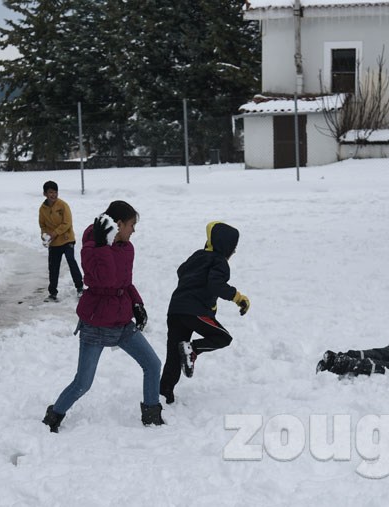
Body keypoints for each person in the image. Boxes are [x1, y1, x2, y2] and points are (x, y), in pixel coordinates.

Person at [42, 200, 163, 432]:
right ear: (118, 224)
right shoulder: (90, 246)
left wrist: (137, 303)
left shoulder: (128, 247)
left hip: (122, 321)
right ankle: (54, 415)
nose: (133, 230)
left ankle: (151, 414)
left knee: (152, 364)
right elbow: (104, 279)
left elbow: (124, 281)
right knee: (83, 383)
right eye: (131, 225)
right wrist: (102, 246)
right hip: (95, 324)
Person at [159, 221, 251, 405]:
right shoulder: (220, 262)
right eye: (233, 248)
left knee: (174, 355)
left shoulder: (197, 257)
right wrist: (238, 297)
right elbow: (215, 285)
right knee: (223, 338)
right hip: (194, 312)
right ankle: (193, 349)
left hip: (175, 310)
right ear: (225, 247)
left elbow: (182, 271)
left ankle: (164, 394)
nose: (234, 252)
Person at [39, 180, 84, 302]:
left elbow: (67, 223)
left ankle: (80, 287)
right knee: (53, 267)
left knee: (71, 261)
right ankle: (52, 292)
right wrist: (44, 236)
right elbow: (42, 225)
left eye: (55, 192)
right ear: (45, 194)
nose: (53, 195)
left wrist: (55, 233)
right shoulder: (42, 209)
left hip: (67, 239)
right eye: (50, 192)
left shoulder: (63, 205)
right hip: (53, 243)